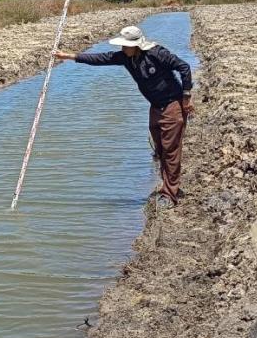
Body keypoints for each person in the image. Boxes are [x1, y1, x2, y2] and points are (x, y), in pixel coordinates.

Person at [54, 25, 194, 211]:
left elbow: (184, 67)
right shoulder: (126, 57)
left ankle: (169, 194)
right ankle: (167, 185)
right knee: (160, 150)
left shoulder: (156, 53)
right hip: (155, 107)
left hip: (172, 105)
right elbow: (100, 59)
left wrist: (186, 98)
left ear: (136, 45)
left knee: (171, 150)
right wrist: (69, 56)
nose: (122, 48)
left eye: (125, 45)